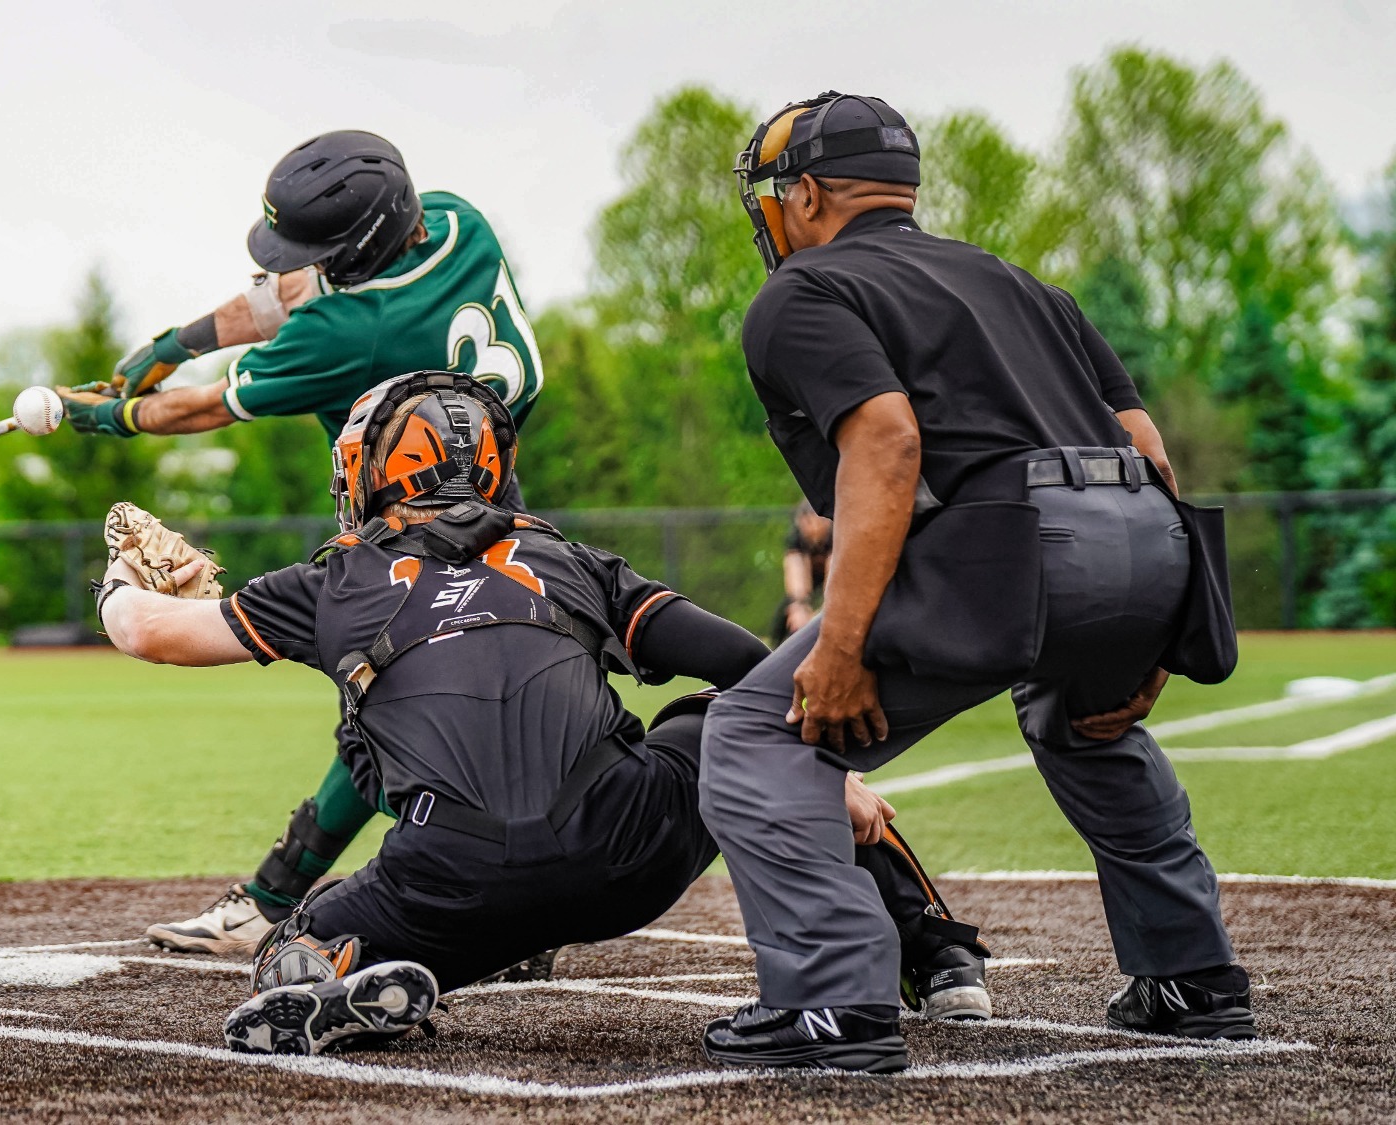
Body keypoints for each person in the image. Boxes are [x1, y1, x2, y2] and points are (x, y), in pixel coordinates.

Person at [94, 372, 993, 1056]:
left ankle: (350, 966)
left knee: (298, 936)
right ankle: (943, 958)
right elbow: (741, 664)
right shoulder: (569, 558)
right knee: (725, 714)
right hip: (623, 849)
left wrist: (120, 585)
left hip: (450, 877)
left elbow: (149, 634)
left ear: (376, 471)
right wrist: (825, 778)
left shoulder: (334, 578)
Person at [697, 91, 1251, 1073]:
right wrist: (1151, 620)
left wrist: (840, 642)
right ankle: (1189, 979)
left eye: (775, 197)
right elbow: (1143, 449)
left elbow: (887, 439)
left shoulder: (803, 292)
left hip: (1018, 539)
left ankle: (830, 1004)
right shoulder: (1022, 284)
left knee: (752, 733)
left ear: (809, 196)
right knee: (1083, 721)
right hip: (1141, 534)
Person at [63, 130, 550, 956]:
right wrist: (171, 344)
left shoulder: (350, 329)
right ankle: (289, 892)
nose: (291, 264)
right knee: (413, 714)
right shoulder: (456, 222)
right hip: (500, 500)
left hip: (407, 526)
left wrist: (111, 414)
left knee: (387, 719)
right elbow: (292, 290)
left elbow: (205, 408)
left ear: (357, 251)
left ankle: (302, 899)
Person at [772, 500, 832, 644]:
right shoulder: (795, 537)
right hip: (810, 575)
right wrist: (799, 605)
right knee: (785, 613)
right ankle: (775, 648)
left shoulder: (836, 534)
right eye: (807, 521)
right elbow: (795, 572)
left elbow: (834, 574)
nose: (813, 527)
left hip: (835, 574)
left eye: (818, 520)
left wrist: (827, 608)